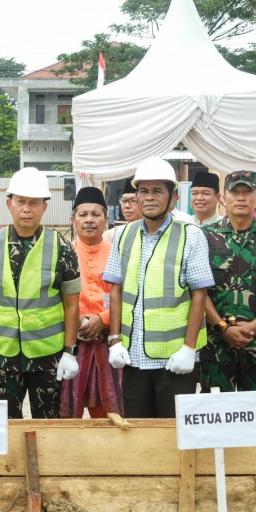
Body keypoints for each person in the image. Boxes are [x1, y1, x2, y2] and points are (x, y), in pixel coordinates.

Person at [103, 157, 214, 418]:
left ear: (173, 197)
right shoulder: (123, 235)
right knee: (137, 430)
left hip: (175, 360)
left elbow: (200, 294)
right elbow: (115, 289)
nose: (149, 197)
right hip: (133, 357)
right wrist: (114, 340)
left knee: (172, 432)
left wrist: (189, 349)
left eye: (157, 191)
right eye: (143, 191)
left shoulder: (191, 235)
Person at [0, 168, 81, 419]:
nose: (27, 209)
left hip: (48, 356)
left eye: (34, 203)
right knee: (4, 426)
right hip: (1, 355)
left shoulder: (62, 248)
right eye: (21, 201)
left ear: (44, 207)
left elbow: (72, 304)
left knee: (48, 425)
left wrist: (69, 351)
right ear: (9, 204)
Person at [201, 171, 256, 417]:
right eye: (234, 192)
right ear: (223, 198)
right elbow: (199, 291)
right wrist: (222, 328)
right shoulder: (205, 237)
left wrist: (254, 327)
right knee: (215, 414)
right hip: (216, 344)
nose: (241, 198)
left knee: (255, 415)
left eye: (247, 192)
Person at [61, 187, 123, 418]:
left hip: (107, 343)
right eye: (83, 214)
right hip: (70, 344)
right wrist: (75, 320)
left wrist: (102, 319)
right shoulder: (62, 254)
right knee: (69, 412)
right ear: (73, 220)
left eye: (96, 214)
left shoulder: (118, 254)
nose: (89, 220)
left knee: (109, 413)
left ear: (106, 221)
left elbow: (126, 296)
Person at [103, 178, 140, 243]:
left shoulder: (152, 233)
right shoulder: (112, 235)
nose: (127, 206)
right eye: (124, 201)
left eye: (133, 201)